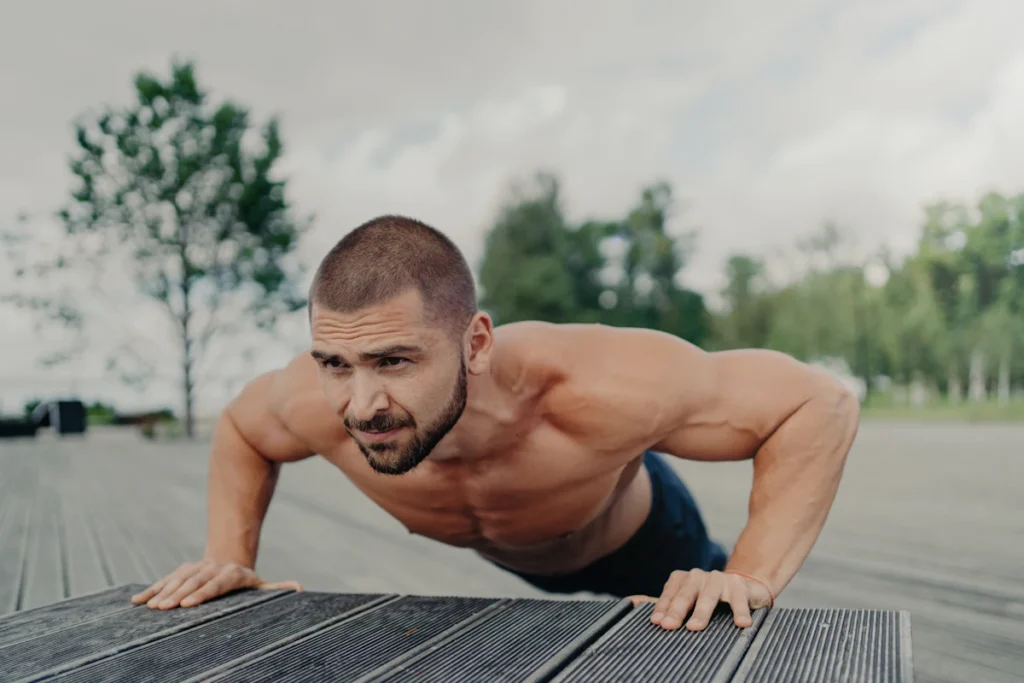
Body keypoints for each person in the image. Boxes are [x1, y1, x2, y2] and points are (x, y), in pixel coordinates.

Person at [131, 215, 860, 632]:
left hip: (638, 538)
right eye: (335, 362)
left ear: (475, 343)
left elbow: (818, 404)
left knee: (714, 628)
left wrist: (749, 576)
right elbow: (242, 428)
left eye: (393, 361)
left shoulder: (597, 384)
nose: (360, 404)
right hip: (514, 550)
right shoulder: (309, 399)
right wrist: (229, 551)